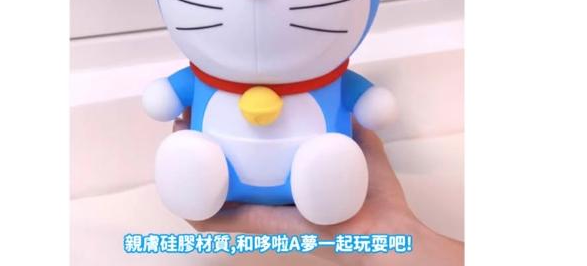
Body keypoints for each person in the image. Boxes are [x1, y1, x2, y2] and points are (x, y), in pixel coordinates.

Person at [173, 112, 463, 265]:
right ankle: (199, 169)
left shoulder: (331, 72)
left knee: (328, 158)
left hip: (316, 169)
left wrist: (372, 232)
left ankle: (327, 180)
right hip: (225, 168)